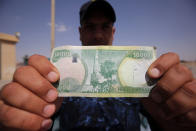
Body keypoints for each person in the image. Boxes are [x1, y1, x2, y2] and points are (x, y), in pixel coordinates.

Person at [0, 0, 196, 131]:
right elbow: (42, 117)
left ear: (114, 31)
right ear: (79, 32)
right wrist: (23, 115)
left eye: (105, 26)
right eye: (90, 27)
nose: (98, 35)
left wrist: (173, 116)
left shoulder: (136, 77)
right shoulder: (58, 78)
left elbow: (160, 118)